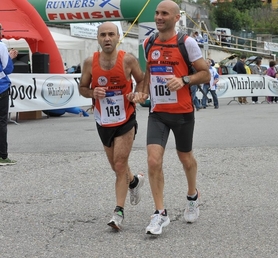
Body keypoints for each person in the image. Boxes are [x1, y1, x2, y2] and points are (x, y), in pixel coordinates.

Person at [133, 0, 210, 235]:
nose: (158, 17)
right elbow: (148, 73)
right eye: (157, 13)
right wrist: (142, 91)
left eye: (164, 13)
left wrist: (184, 80)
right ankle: (160, 213)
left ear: (176, 18)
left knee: (186, 158)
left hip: (183, 112)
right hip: (158, 114)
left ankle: (192, 195)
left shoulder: (186, 43)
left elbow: (205, 73)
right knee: (153, 161)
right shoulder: (148, 42)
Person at [78, 22, 145, 230]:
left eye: (111, 35)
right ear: (98, 39)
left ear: (118, 37)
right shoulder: (90, 62)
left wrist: (138, 94)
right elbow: (82, 88)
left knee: (119, 165)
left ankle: (118, 212)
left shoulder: (128, 60)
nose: (107, 38)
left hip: (126, 119)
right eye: (103, 35)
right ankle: (133, 182)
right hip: (103, 121)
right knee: (117, 168)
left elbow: (142, 81)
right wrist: (92, 92)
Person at [0, 23, 18, 166]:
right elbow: (7, 68)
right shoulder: (1, 46)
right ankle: (2, 156)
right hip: (0, 88)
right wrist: (10, 57)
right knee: (1, 122)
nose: (3, 32)